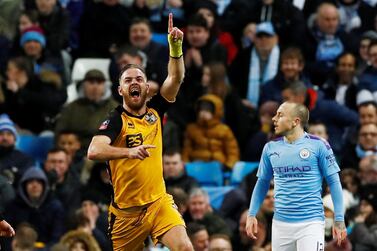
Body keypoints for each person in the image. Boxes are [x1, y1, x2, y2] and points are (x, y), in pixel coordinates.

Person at [87, 14, 193, 251]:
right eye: (127, 80)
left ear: (147, 87)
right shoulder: (115, 120)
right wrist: (129, 151)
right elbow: (94, 151)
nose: (134, 82)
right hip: (126, 214)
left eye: (139, 78)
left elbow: (176, 77)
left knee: (185, 247)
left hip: (158, 204)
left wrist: (175, 48)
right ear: (120, 90)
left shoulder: (156, 109)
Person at [246, 101, 347, 250]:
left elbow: (334, 182)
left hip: (310, 223)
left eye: (279, 115)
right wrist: (251, 213)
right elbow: (262, 182)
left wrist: (339, 218)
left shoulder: (319, 145)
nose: (274, 119)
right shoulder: (270, 148)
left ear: (296, 121)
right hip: (280, 223)